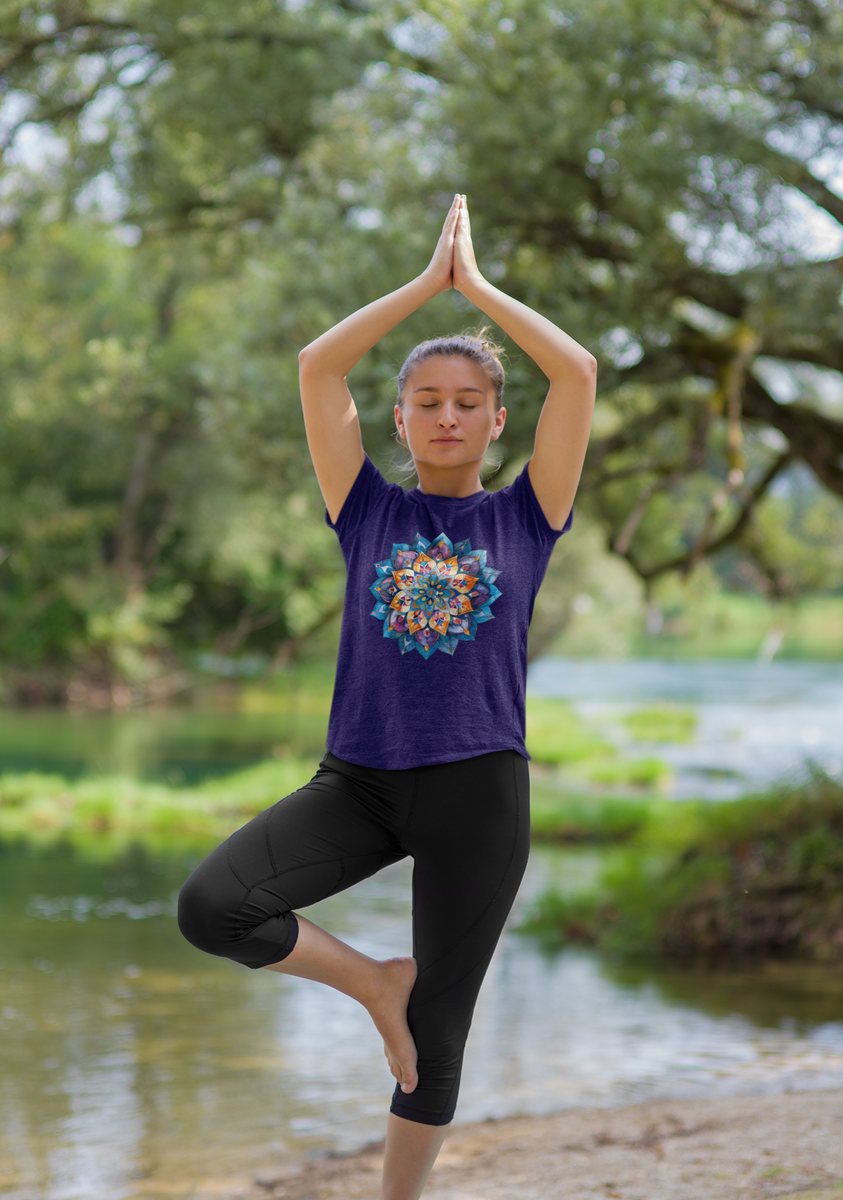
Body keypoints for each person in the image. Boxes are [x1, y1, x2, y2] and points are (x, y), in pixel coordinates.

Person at [177, 194, 596, 1200]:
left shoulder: (527, 517)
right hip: (358, 780)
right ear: (400, 419)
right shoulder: (363, 505)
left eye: (466, 401)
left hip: (477, 790)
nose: (446, 415)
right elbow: (318, 367)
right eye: (427, 401)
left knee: (434, 1046)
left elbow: (575, 373)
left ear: (498, 421)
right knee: (212, 907)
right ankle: (374, 982)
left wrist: (478, 288)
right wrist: (423, 287)